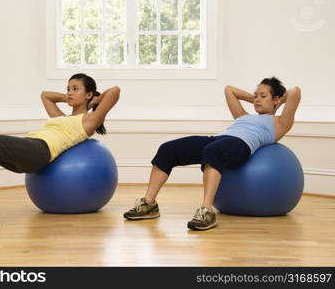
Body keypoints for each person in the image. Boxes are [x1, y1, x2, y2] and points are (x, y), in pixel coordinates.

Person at [0, 73, 120, 229]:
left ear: (88, 94)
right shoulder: (61, 117)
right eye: (68, 88)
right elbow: (45, 95)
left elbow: (115, 91)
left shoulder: (89, 120)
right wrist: (69, 98)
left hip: (41, 151)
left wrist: (95, 99)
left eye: (75, 89)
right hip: (30, 145)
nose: (69, 92)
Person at [123, 77, 301, 231]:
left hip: (241, 145)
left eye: (263, 96)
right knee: (167, 149)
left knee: (212, 152)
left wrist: (275, 102)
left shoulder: (280, 123)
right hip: (219, 139)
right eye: (255, 96)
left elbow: (295, 92)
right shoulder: (243, 116)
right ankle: (149, 204)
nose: (256, 100)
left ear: (276, 99)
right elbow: (229, 90)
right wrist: (258, 99)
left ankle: (206, 211)